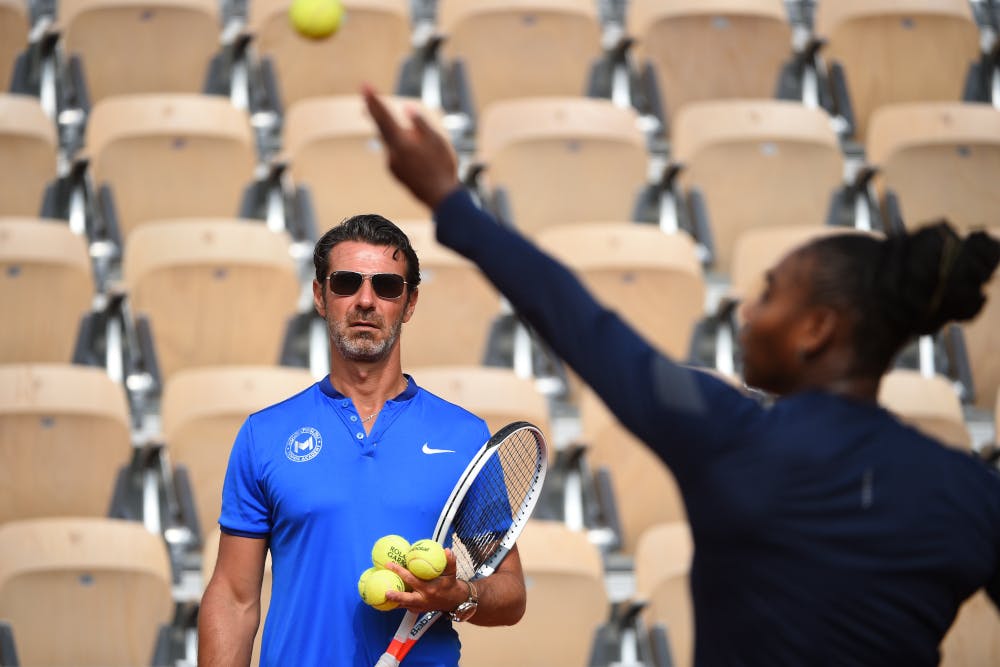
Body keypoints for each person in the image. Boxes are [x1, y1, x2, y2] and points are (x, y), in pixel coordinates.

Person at [361, 86, 1000, 666]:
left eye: (771, 294)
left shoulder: (731, 436)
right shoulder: (969, 491)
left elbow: (581, 323)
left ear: (816, 329)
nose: (747, 312)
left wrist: (451, 201)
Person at [198, 214, 527, 667]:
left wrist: (458, 594)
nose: (366, 301)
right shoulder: (264, 434)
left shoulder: (465, 436)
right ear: (320, 295)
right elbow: (234, 599)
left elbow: (511, 595)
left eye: (388, 287)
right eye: (347, 283)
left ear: (409, 304)